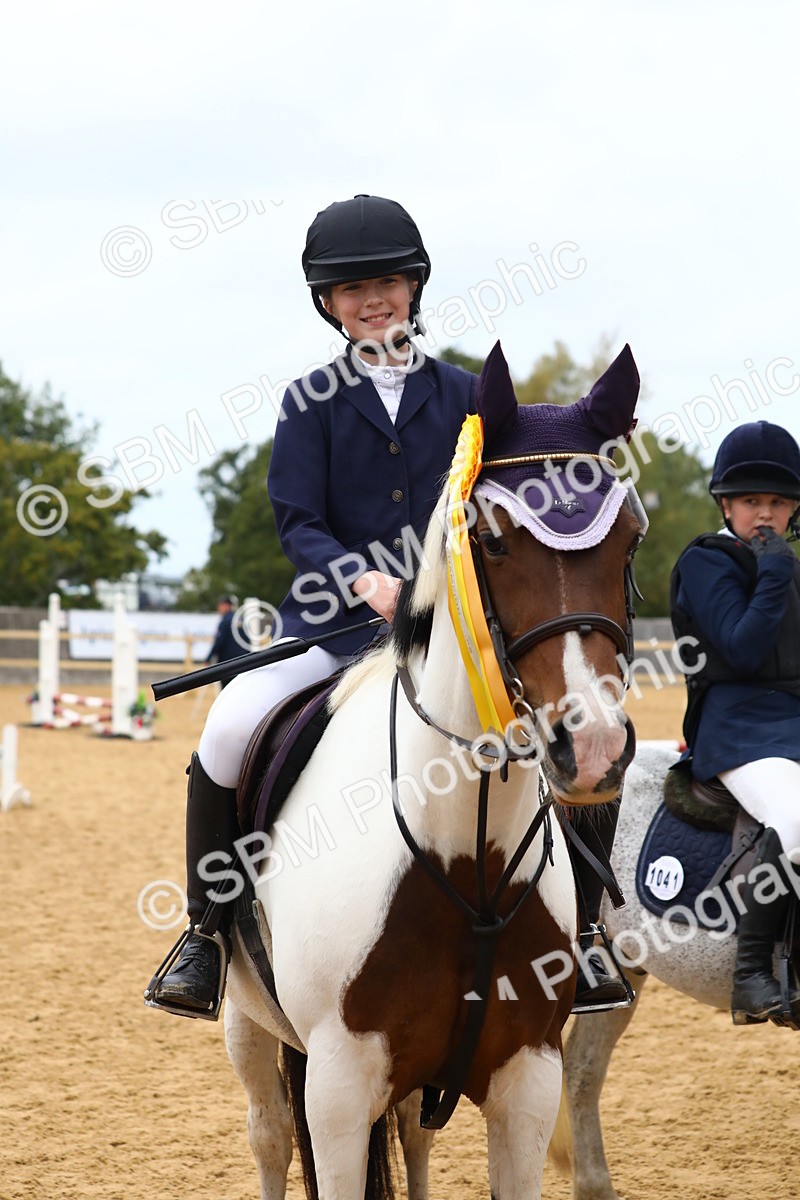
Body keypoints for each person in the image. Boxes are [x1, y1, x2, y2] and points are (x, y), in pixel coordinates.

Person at [146, 194, 478, 1017]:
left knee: (555, 724)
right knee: (226, 729)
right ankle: (206, 931)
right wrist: (363, 579)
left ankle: (582, 936)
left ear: (415, 287)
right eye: (353, 288)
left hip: (451, 636)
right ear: (328, 303)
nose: (374, 300)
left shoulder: (469, 395)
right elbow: (299, 522)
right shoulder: (308, 401)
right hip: (334, 630)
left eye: (389, 282)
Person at [671, 420, 800, 1025]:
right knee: (794, 817)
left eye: (777, 502)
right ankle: (751, 974)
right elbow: (744, 650)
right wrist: (774, 572)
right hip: (739, 725)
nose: (766, 515)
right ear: (727, 504)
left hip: (793, 720)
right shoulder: (706, 561)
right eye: (752, 501)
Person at [205, 596, 244, 686]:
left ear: (227, 606)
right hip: (242, 662)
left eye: (220, 605)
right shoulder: (240, 619)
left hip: (227, 662)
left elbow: (219, 642)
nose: (219, 608)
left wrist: (209, 658)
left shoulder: (225, 621)